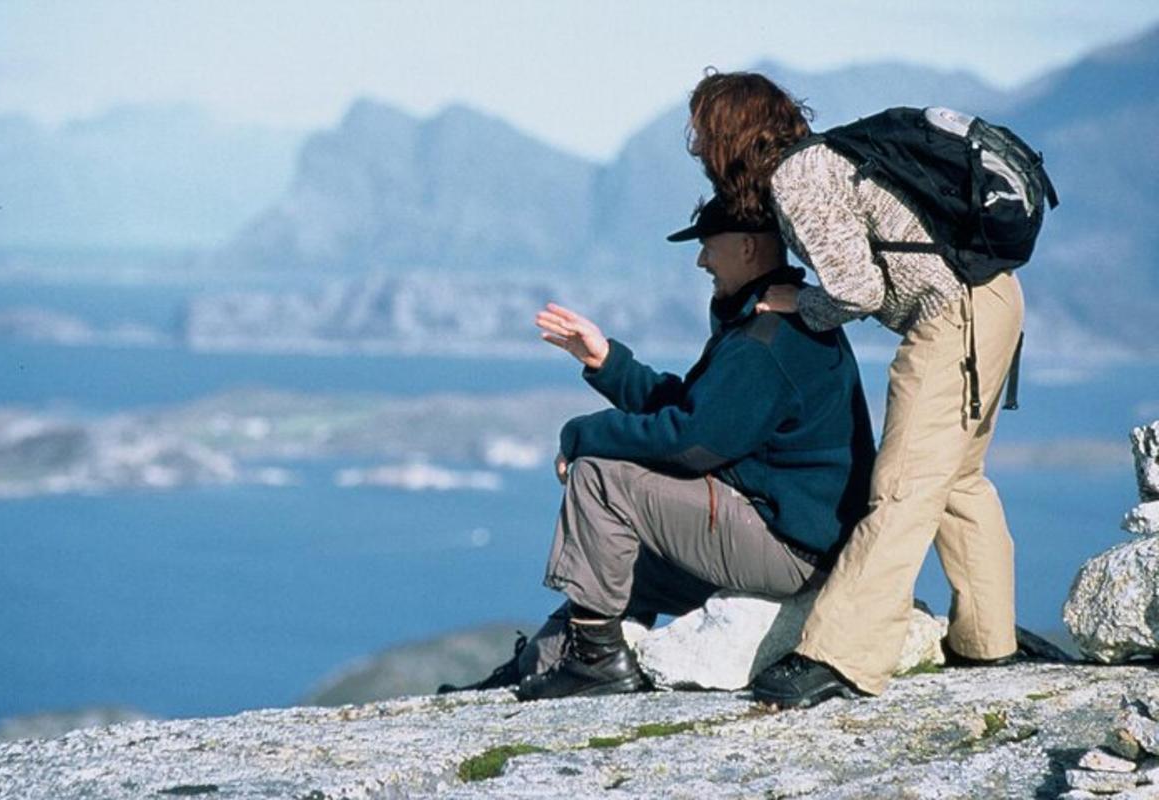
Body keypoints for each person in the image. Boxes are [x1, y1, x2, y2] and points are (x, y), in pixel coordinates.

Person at [684, 71, 1032, 708]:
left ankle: (840, 656)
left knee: (901, 486)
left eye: (704, 133)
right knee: (956, 478)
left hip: (953, 317)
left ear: (729, 136)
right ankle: (988, 641)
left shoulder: (798, 178)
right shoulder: (826, 158)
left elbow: (858, 289)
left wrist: (800, 302)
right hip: (992, 300)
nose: (698, 146)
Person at [441, 195, 876, 700]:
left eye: (708, 247)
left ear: (748, 247)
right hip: (787, 536)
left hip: (791, 551)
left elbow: (691, 442)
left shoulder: (770, 338)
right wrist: (609, 364)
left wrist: (584, 434)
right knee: (617, 564)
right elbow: (701, 413)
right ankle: (530, 671)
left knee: (602, 477)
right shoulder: (764, 324)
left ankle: (599, 663)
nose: (701, 261)